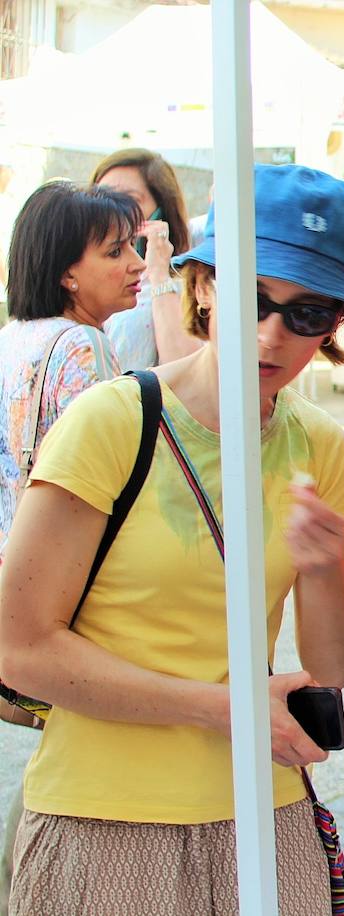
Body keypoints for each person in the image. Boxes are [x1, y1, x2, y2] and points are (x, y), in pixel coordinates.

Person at [0, 164, 344, 915]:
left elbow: (331, 665)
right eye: (254, 299)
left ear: (333, 325)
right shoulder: (113, 421)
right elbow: (18, 645)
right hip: (107, 820)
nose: (271, 334)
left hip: (263, 816)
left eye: (305, 315)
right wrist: (223, 708)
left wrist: (324, 564)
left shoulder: (317, 442)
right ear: (203, 286)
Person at [0, 180, 143, 912]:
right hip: (69, 584)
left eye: (136, 247)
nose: (136, 264)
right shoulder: (81, 345)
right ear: (66, 270)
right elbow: (104, 481)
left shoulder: (13, 339)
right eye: (115, 251)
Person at [93, 148, 203, 370]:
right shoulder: (84, 278)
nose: (113, 210)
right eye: (102, 197)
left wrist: (158, 273)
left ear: (161, 211)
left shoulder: (186, 286)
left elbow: (186, 369)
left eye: (129, 200)